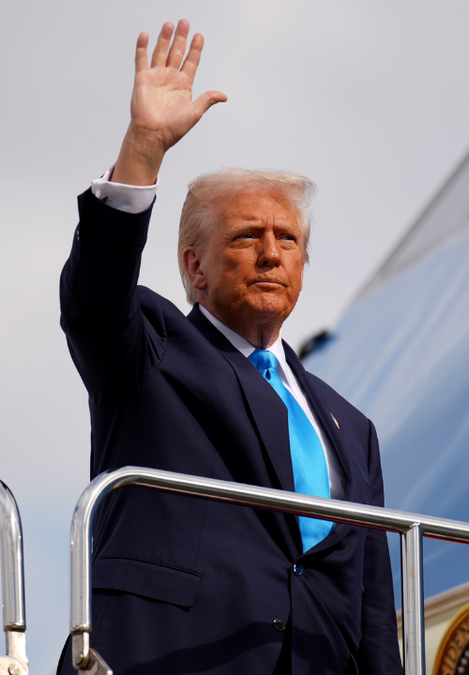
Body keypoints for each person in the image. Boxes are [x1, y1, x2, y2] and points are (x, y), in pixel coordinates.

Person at [57, 19, 402, 675]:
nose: (272, 252)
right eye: (248, 236)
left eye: (288, 239)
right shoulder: (151, 351)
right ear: (195, 266)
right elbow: (93, 298)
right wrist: (143, 149)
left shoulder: (351, 429)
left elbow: (373, 611)